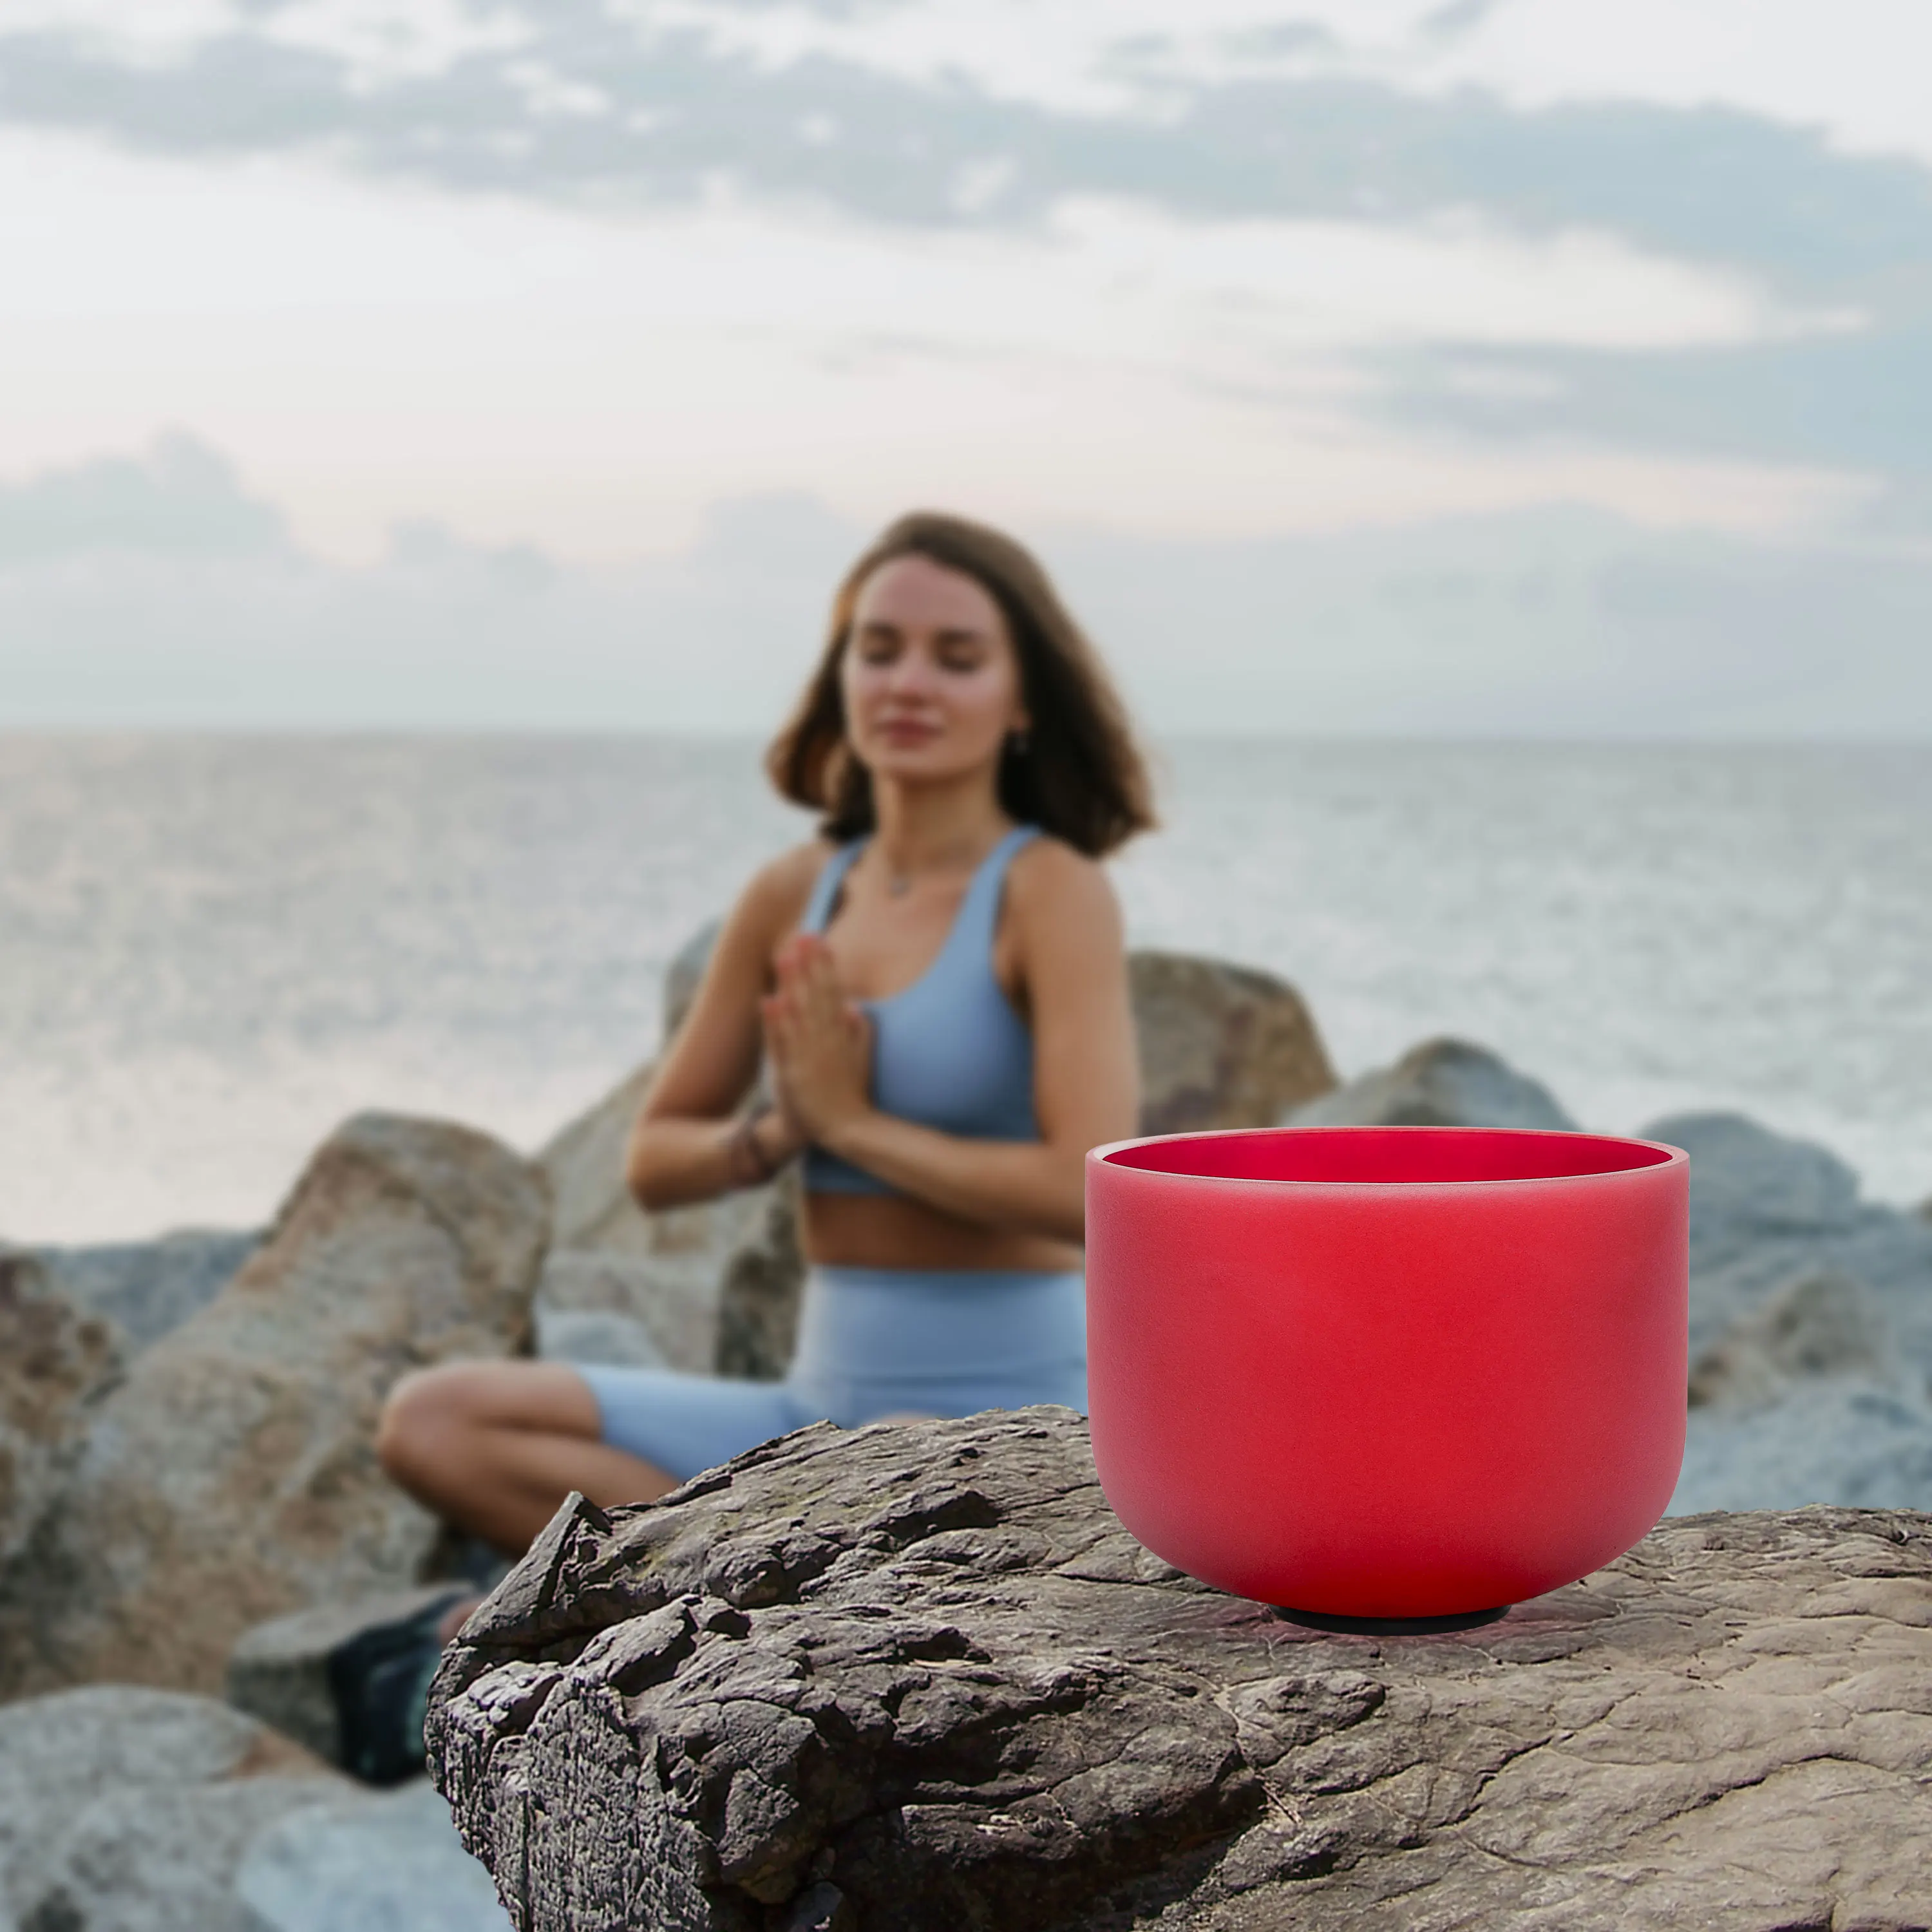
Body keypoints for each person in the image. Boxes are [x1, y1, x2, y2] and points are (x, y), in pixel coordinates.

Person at [375, 507, 1153, 1593]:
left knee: (899, 1497)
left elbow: (1092, 1192)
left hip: (1005, 1419)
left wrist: (854, 1128)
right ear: (842, 680)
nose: (908, 683)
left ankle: (690, 1602)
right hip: (813, 1409)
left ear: (1022, 700)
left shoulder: (1049, 892)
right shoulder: (796, 892)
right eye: (877, 651)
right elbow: (655, 1161)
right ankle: (760, 1585)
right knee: (437, 1421)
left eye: (956, 657)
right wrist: (782, 1131)